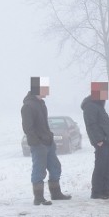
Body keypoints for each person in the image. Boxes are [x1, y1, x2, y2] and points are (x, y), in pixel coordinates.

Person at [21, 76, 71, 205]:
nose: (47, 91)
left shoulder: (41, 104)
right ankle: (38, 198)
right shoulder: (28, 106)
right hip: (39, 145)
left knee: (56, 167)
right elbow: (28, 128)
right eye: (45, 88)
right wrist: (38, 142)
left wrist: (50, 137)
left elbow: (44, 125)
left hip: (48, 142)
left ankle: (56, 194)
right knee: (39, 170)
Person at [81, 81, 109, 200]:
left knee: (108, 166)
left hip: (106, 140)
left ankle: (105, 189)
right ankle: (96, 191)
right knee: (100, 166)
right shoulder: (90, 106)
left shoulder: (99, 105)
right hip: (101, 141)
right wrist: (98, 139)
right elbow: (91, 124)